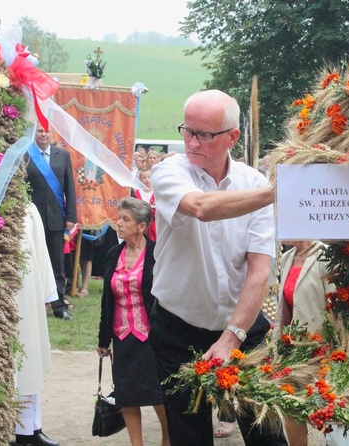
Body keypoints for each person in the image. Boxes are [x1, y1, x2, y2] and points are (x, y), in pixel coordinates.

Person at [148, 89, 284, 446]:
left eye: (203, 134)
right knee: (189, 436)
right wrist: (278, 192)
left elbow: (259, 271)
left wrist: (232, 336)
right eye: (186, 130)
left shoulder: (252, 182)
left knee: (265, 433)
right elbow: (201, 207)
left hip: (241, 328)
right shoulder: (169, 172)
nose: (191, 142)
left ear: (232, 137)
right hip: (178, 328)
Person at [97, 197, 169, 446]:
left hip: (151, 336)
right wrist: (103, 339)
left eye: (125, 219)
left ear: (141, 226)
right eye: (119, 218)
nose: (119, 223)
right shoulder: (113, 254)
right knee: (127, 396)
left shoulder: (157, 253)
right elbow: (107, 299)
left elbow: (165, 297)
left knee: (157, 394)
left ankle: (167, 440)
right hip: (122, 335)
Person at [277, 240, 334, 446]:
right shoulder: (286, 258)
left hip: (321, 349)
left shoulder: (325, 255)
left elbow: (335, 306)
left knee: (326, 411)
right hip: (292, 348)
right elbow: (284, 308)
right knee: (291, 406)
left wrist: (331, 349)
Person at [12, 203, 61, 446]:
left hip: (25, 297)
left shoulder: (26, 208)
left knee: (28, 361)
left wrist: (44, 296)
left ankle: (29, 429)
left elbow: (38, 250)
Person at [25, 123, 77, 320]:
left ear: (51, 133)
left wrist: (71, 216)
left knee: (57, 262)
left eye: (46, 131)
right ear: (34, 133)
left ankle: (59, 305)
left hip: (56, 217)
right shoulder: (26, 155)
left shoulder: (62, 155)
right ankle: (35, 304)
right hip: (32, 218)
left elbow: (69, 187)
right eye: (40, 131)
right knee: (34, 260)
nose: (43, 134)